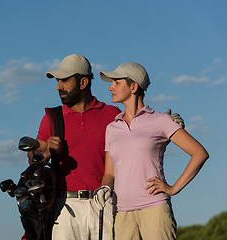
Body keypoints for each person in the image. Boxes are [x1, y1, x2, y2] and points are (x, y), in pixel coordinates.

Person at [28, 54, 184, 240]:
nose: (58, 86)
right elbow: (33, 159)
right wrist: (45, 153)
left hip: (105, 204)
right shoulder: (52, 117)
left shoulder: (112, 114)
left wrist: (168, 126)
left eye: (64, 80)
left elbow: (143, 133)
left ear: (83, 82)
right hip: (64, 206)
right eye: (58, 81)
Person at [95, 62, 209, 240]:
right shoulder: (112, 128)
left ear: (133, 86)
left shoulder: (161, 120)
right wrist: (104, 188)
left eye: (116, 83)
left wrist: (173, 188)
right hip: (121, 212)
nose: (110, 87)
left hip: (155, 208)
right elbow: (109, 172)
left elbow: (199, 153)